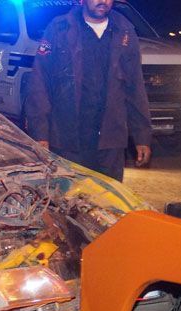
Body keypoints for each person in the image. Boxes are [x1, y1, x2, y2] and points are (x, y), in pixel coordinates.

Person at [24, 0, 152, 182]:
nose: (103, 1)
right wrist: (40, 134)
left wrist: (142, 136)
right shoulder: (60, 29)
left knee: (109, 201)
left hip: (110, 139)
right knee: (69, 200)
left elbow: (135, 87)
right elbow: (39, 84)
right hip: (68, 137)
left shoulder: (124, 31)